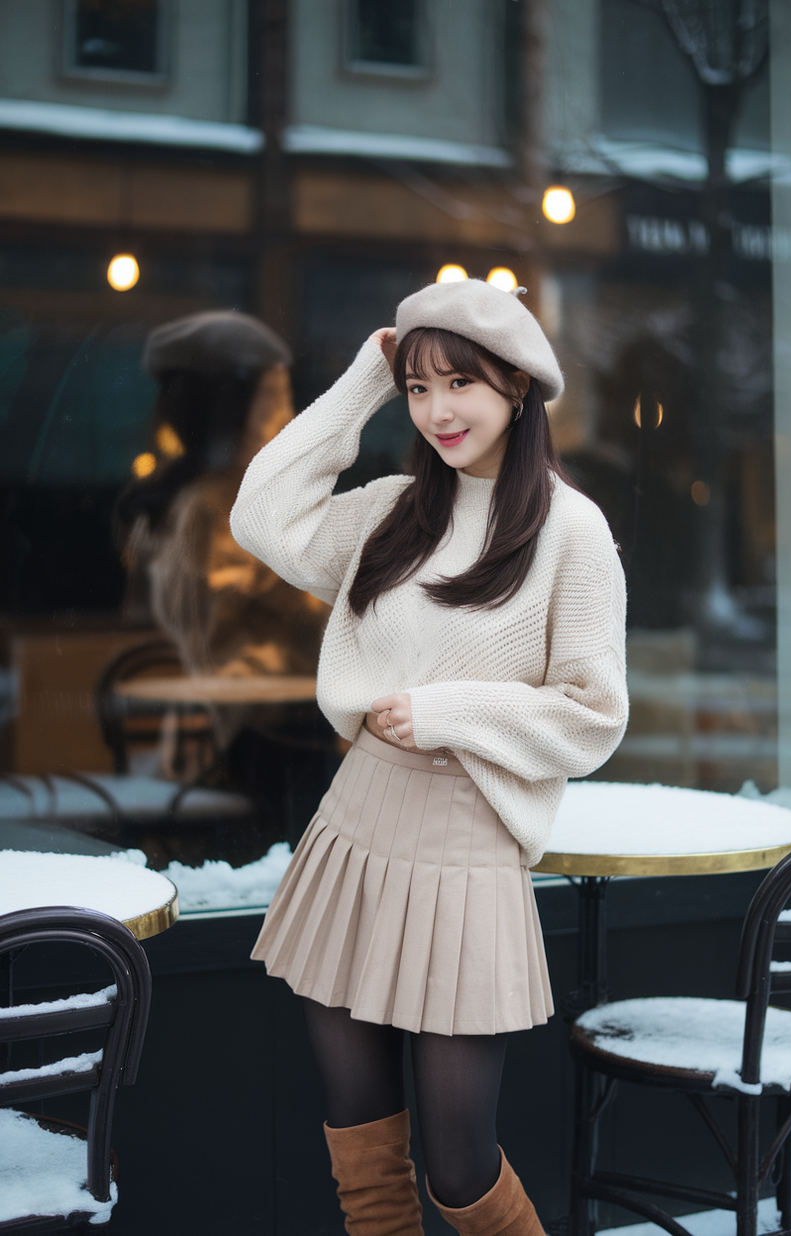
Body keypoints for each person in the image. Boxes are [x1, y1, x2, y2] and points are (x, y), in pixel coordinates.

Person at [230, 280, 629, 1236]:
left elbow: (593, 715)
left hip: (466, 849)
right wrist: (369, 375)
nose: (438, 410)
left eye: (461, 382)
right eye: (419, 387)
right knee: (363, 1153)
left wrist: (450, 709)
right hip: (357, 831)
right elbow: (262, 512)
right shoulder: (393, 512)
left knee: (458, 1169)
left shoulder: (572, 532)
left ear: (520, 387)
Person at [116, 310, 331, 841]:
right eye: (272, 400)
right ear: (228, 413)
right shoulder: (215, 508)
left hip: (262, 731)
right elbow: (279, 612)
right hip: (252, 740)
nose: (288, 415)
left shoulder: (225, 499)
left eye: (287, 397)